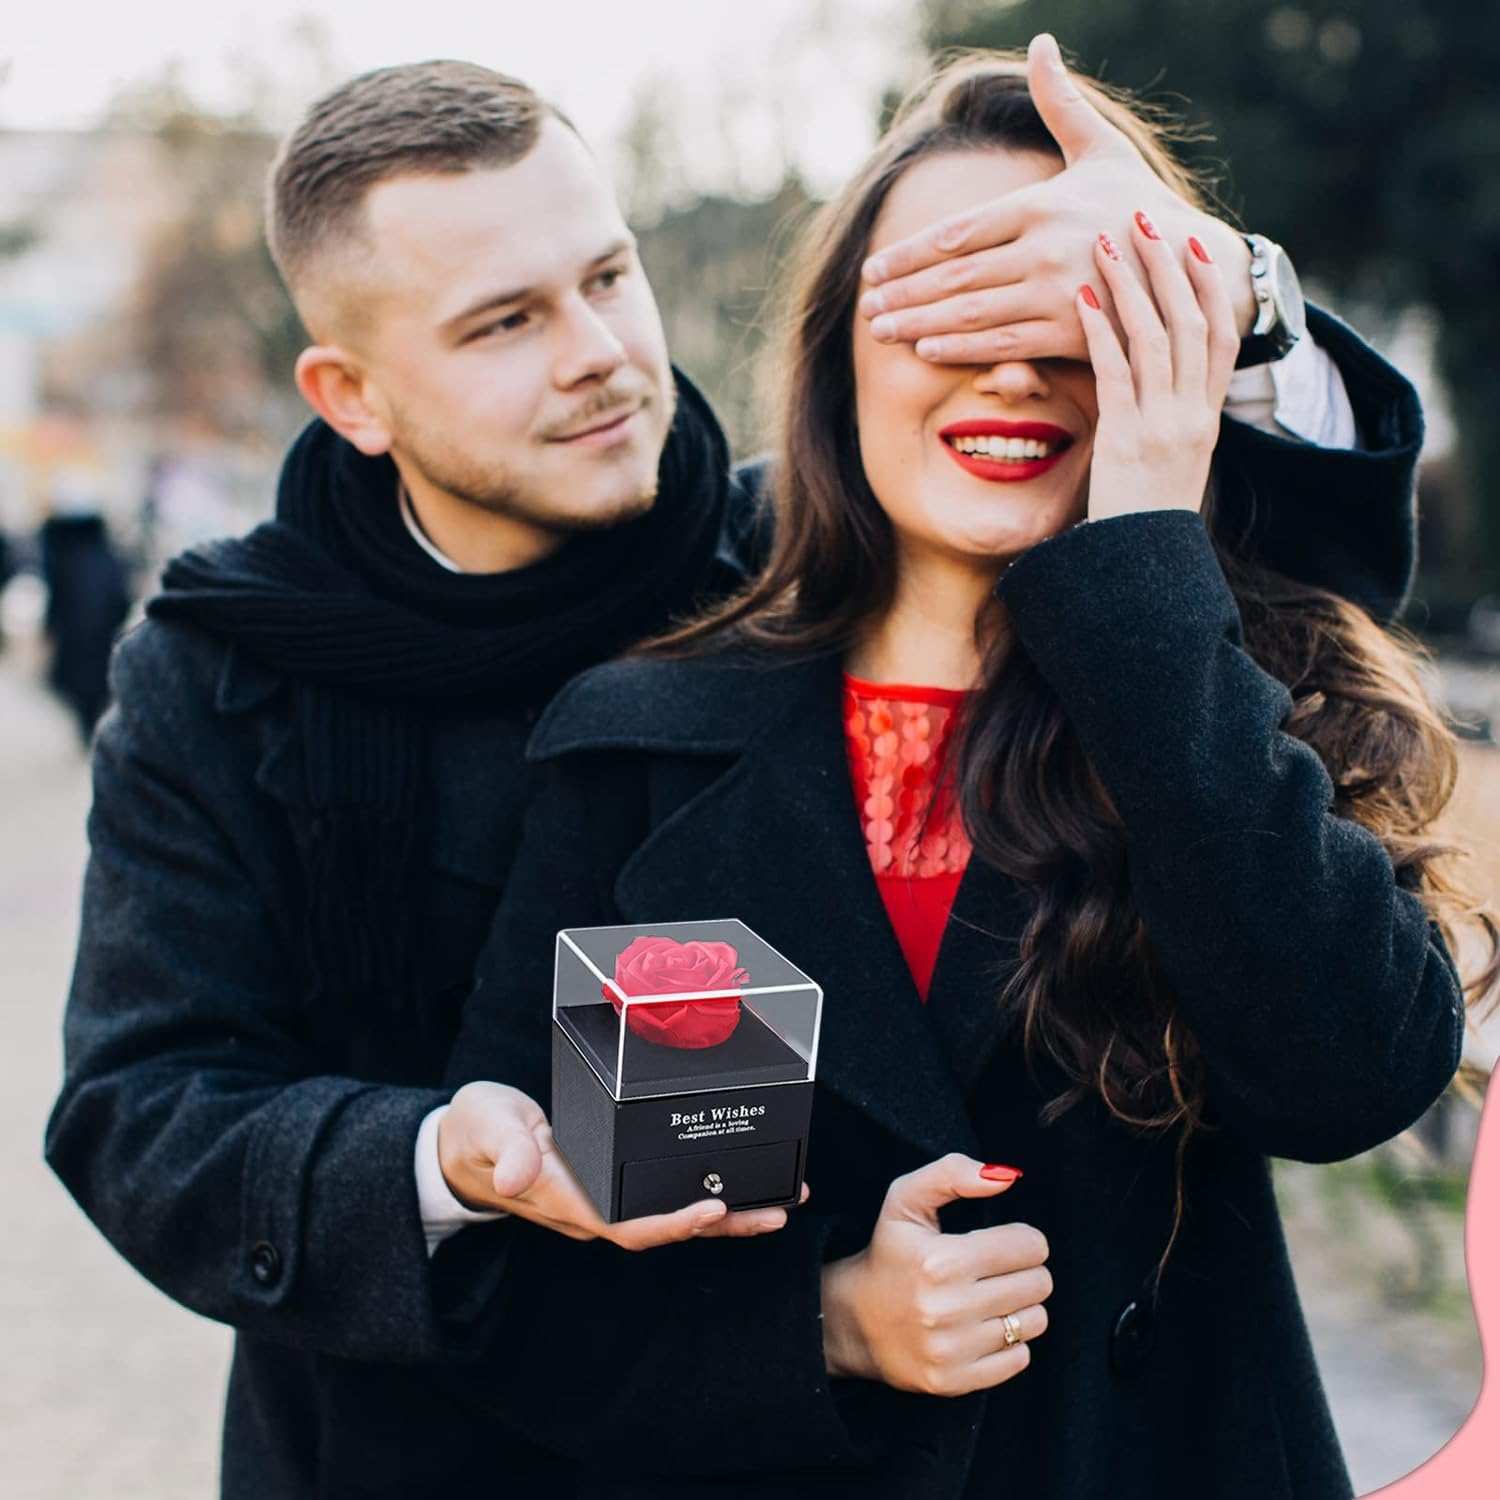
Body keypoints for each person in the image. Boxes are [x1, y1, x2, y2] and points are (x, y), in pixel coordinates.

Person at [46, 41, 1454, 1499]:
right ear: (351, 395)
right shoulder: (236, 677)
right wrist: (455, 1163)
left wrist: (1222, 292)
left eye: (608, 277)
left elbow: (1264, 581)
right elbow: (144, 1115)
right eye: (503, 323)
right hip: (414, 1436)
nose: (596, 351)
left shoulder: (807, 556)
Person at [443, 43, 1498, 1499]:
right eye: (949, 305)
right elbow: (526, 1303)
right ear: (836, 361)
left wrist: (1139, 548)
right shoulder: (641, 744)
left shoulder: (1220, 695)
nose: (1009, 361)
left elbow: (1347, 1080)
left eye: (1069, 310)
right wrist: (826, 1327)